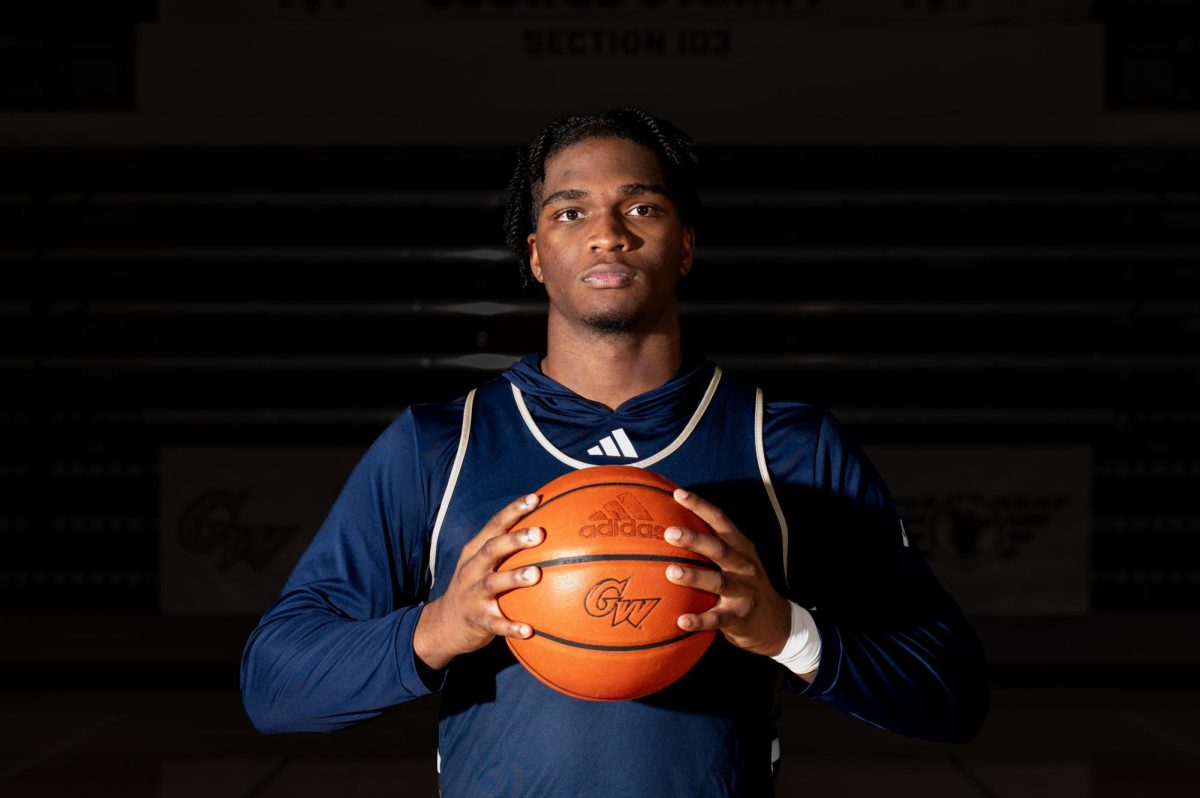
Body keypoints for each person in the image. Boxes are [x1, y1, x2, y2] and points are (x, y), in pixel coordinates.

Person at [240, 107, 990, 796]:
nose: (609, 233)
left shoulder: (784, 445)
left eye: (642, 207)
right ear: (535, 255)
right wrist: (437, 628)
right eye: (571, 212)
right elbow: (274, 685)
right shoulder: (440, 444)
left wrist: (787, 630)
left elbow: (951, 693)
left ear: (686, 245)